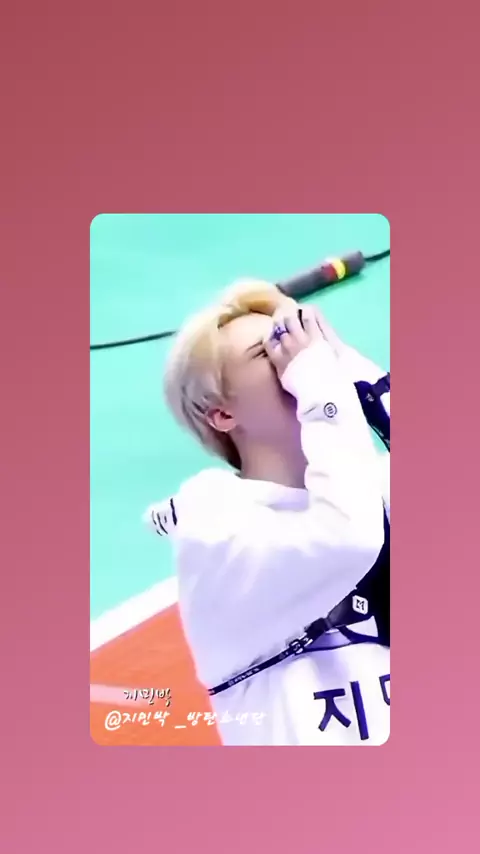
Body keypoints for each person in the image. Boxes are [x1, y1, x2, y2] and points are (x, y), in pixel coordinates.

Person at [146, 279, 390, 745]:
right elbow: (348, 538)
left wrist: (352, 369)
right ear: (223, 414)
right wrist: (321, 384)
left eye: (298, 335)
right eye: (268, 349)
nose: (297, 353)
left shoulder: (371, 486)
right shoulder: (216, 533)